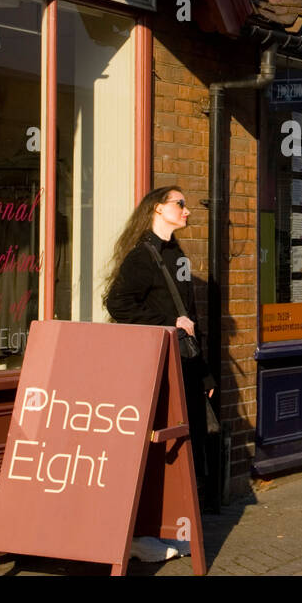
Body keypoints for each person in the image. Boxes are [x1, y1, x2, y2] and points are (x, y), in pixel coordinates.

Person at [103, 185, 215, 480]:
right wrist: (169, 321)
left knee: (192, 436)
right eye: (180, 203)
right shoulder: (141, 256)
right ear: (158, 208)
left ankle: (192, 508)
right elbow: (118, 304)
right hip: (159, 363)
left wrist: (204, 373)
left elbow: (190, 317)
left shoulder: (177, 255)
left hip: (186, 362)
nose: (186, 210)